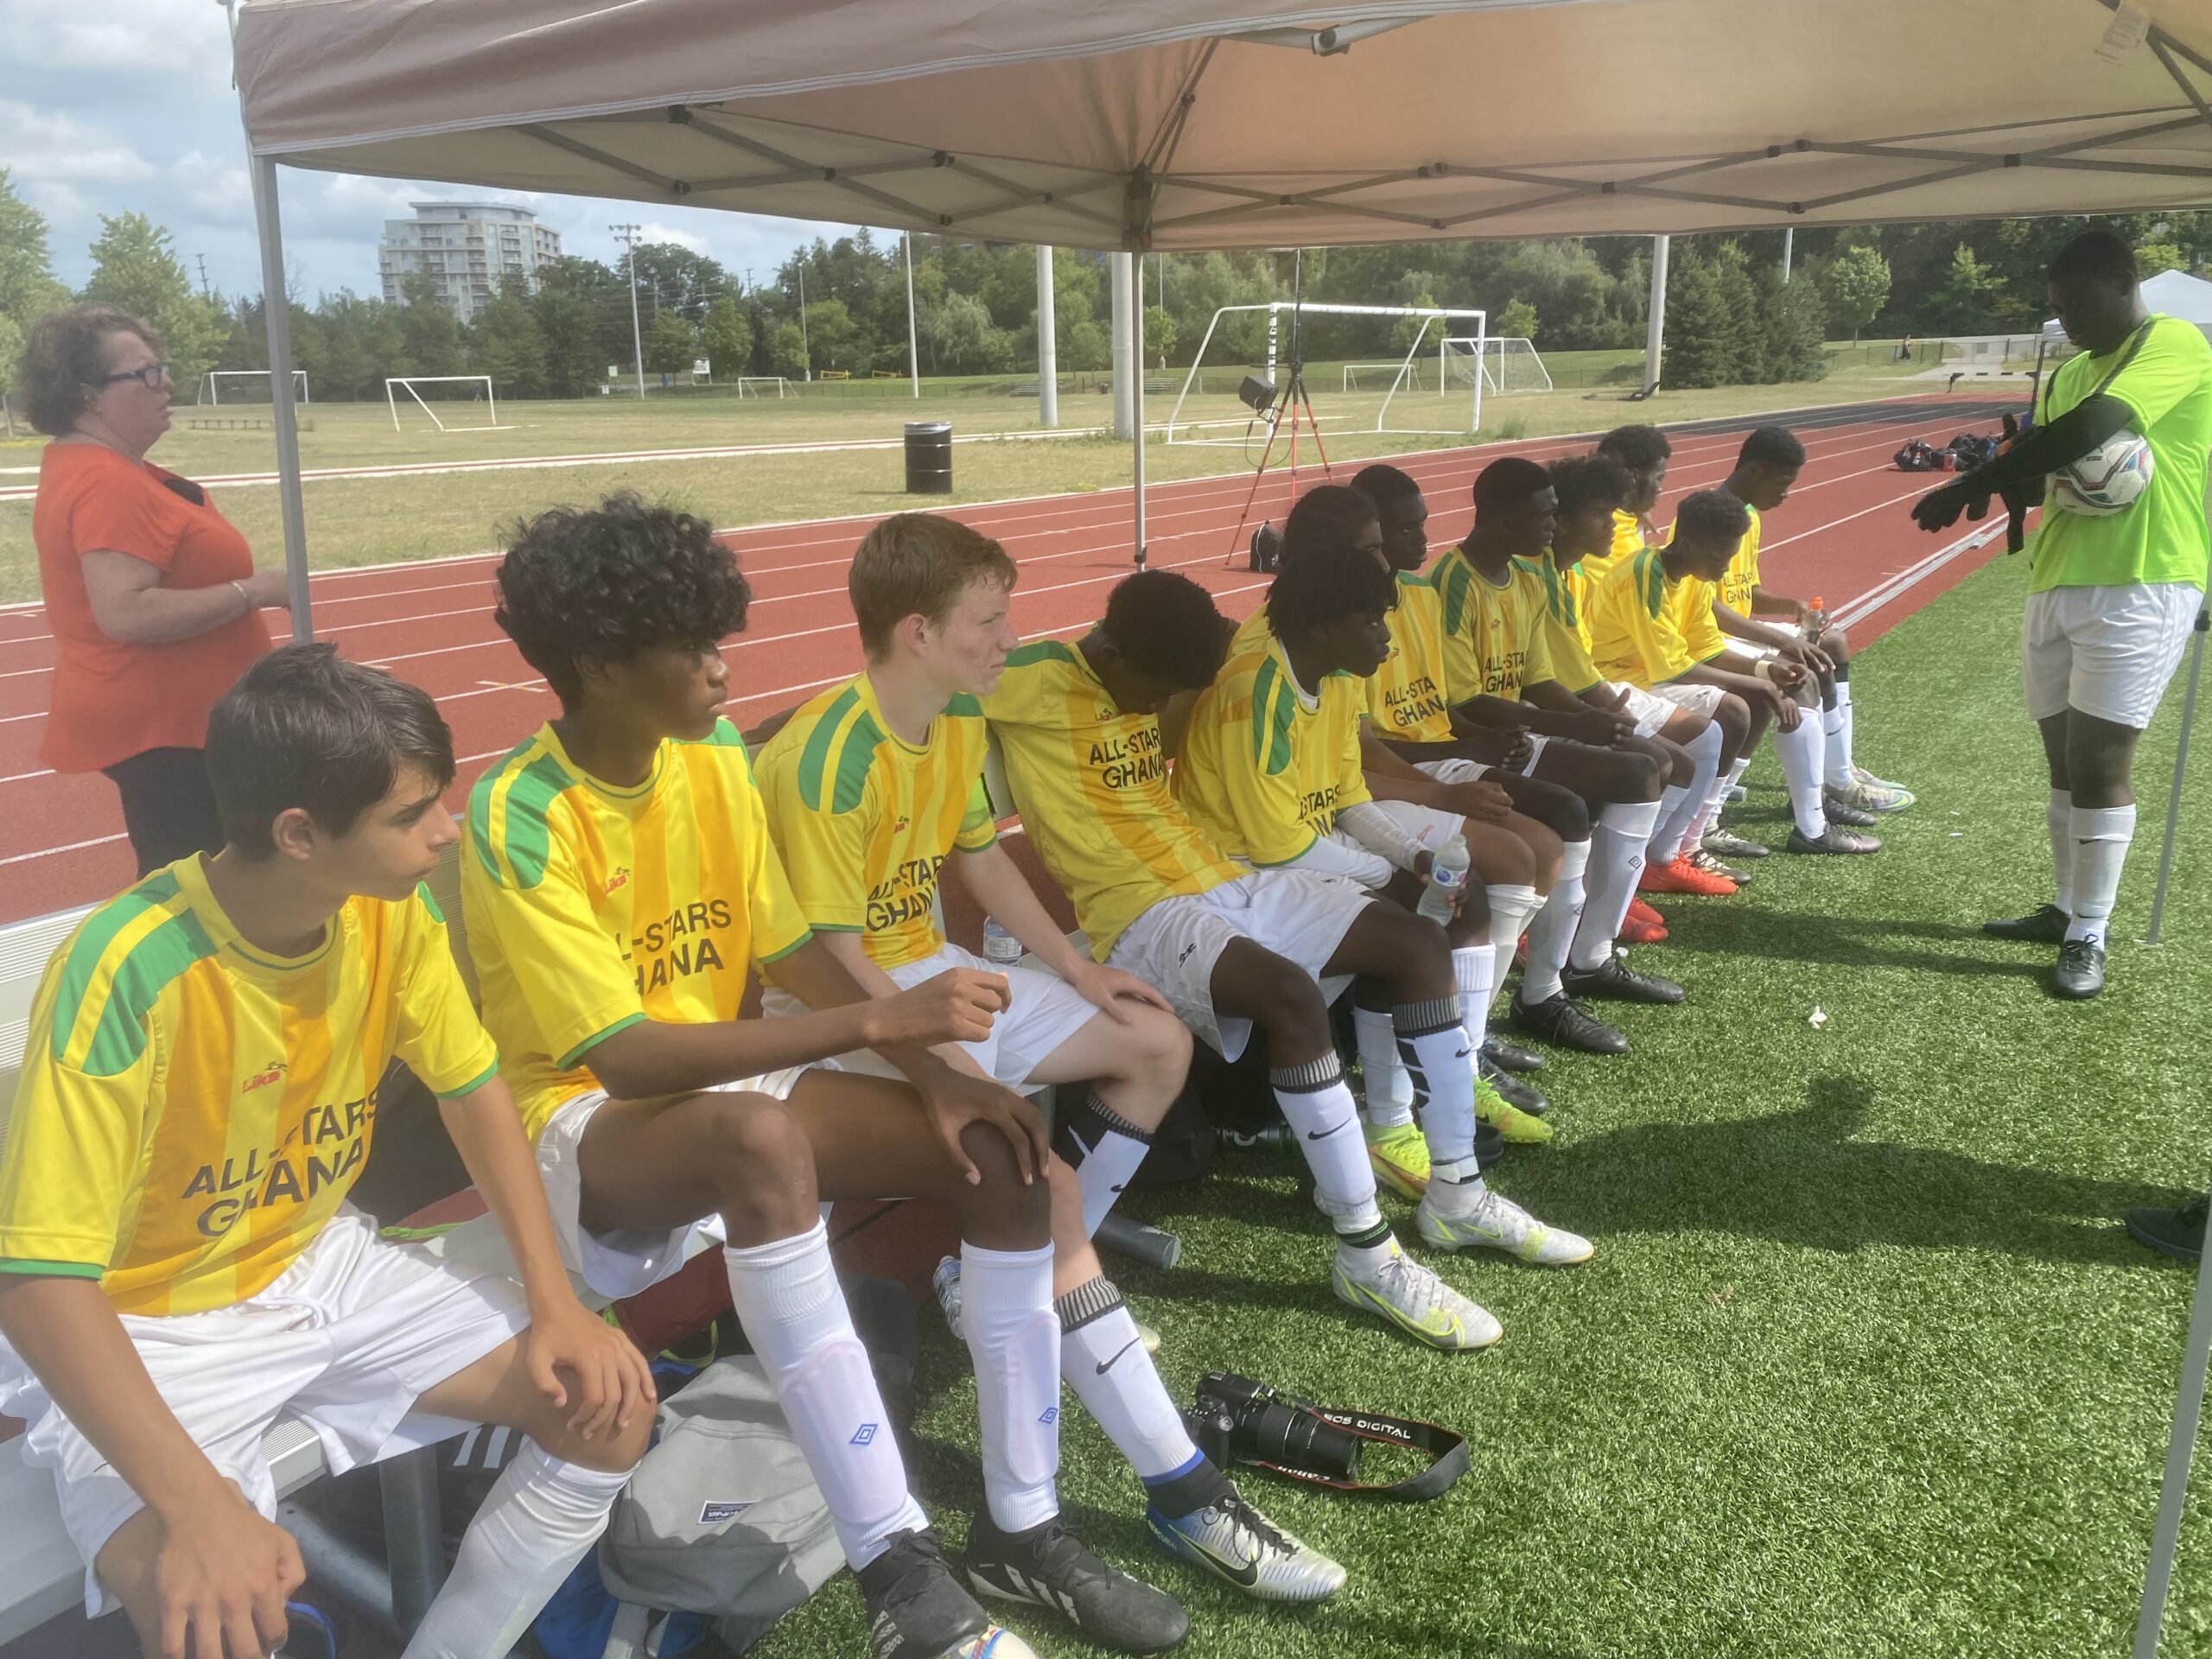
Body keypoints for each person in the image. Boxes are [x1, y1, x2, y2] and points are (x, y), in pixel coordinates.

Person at [460, 495, 1160, 1658]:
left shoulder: (713, 756)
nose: (725, 669)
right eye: (694, 647)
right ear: (599, 665)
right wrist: (890, 1017)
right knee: (758, 1142)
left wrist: (938, 1078)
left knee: (998, 1153)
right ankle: (895, 1565)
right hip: (583, 1130)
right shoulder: (519, 812)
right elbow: (625, 1056)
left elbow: (783, 950)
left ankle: (1022, 1528)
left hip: (711, 1100)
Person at [0, 645, 657, 1659]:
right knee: (216, 1609)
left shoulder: (388, 917)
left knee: (608, 1409)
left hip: (315, 1259)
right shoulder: (124, 972)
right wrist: (199, 1509)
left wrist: (558, 1303)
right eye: (411, 816)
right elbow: (39, 1278)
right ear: (298, 834)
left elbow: (473, 1092)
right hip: (150, 1320)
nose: (446, 835)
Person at [756, 512, 1344, 1610]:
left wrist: (1077, 973)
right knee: (1048, 1190)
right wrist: (925, 1044)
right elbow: (821, 952)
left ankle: (1012, 1283)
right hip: (856, 1003)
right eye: (988, 620)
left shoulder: (956, 714)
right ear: (918, 629)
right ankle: (1180, 1489)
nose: (1007, 638)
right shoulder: (827, 753)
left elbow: (976, 858)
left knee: (1151, 1040)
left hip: (931, 974)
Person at [988, 569, 1592, 1357]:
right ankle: (1366, 1252)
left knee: (1414, 940)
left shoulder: (1167, 666)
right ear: (1112, 651)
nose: (1159, 707)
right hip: (1136, 912)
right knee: (1289, 996)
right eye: (1156, 690)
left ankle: (1458, 1191)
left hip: (1226, 879)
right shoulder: (1029, 681)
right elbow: (892, 705)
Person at [1914, 228, 2212, 1004]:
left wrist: (1967, 479)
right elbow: (2051, 463)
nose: (2068, 321)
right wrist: (2002, 492)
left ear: (2120, 283)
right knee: (2061, 763)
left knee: (2100, 765)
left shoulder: (2172, 342)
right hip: (2058, 579)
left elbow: (2089, 434)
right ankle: (2066, 907)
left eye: (2076, 303)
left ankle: (2090, 934)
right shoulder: (2070, 370)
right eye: (2056, 307)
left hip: (2144, 580)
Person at [1223, 480, 1568, 1129]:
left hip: (1313, 832)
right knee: (1415, 921)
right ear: (1332, 570)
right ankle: (1401, 1113)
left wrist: (1414, 853)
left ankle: (1453, 1068)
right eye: (1373, 550)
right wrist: (1399, 866)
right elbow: (1274, 838)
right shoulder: (1261, 672)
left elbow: (1347, 782)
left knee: (1463, 894)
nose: (1387, 566)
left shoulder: (1332, 658)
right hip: (1254, 858)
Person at [1425, 458, 1694, 1027]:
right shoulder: (1453, 583)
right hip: (1479, 738)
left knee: (1636, 769)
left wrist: (1593, 720)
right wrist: (1572, 727)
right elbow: (1462, 701)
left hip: (1521, 729)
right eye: (1543, 514)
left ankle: (1584, 957)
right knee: (1618, 782)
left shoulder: (1525, 575)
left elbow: (1538, 677)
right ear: (1501, 519)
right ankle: (1549, 984)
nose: (1552, 524)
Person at [23, 306, 287, 875]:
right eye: (144, 372)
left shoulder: (95, 466)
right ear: (89, 394)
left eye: (161, 367)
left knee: (206, 880)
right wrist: (256, 589)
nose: (164, 381)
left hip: (172, 726)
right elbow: (126, 612)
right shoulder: (105, 479)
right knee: (200, 892)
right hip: (168, 732)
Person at [1586, 489, 1879, 856]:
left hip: (1651, 673)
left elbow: (1707, 647)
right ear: (1691, 544)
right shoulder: (1645, 576)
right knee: (1736, 707)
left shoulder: (1693, 574)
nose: (1725, 568)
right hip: (1619, 680)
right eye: (1720, 557)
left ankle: (1708, 824)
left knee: (1761, 693)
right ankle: (1688, 840)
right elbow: (1673, 669)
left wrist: (1767, 670)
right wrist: (1765, 682)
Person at [1526, 452, 1739, 920]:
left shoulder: (1569, 574)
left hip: (1589, 689)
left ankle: (1649, 866)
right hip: (1566, 700)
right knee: (1655, 759)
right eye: (1601, 513)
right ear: (1561, 522)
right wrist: (1614, 722)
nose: (1613, 525)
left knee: (1706, 737)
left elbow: (1573, 669)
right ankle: (1602, 893)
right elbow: (1555, 679)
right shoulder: (1536, 577)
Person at [1707, 426, 1915, 819]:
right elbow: (1708, 609)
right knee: (1802, 666)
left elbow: (1745, 591)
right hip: (1713, 639)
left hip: (1739, 632)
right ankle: (1830, 787)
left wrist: (1795, 605)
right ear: (1753, 471)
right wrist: (1779, 639)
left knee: (1833, 642)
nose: (1786, 495)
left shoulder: (1748, 516)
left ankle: (1839, 769)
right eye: (1782, 483)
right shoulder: (1712, 517)